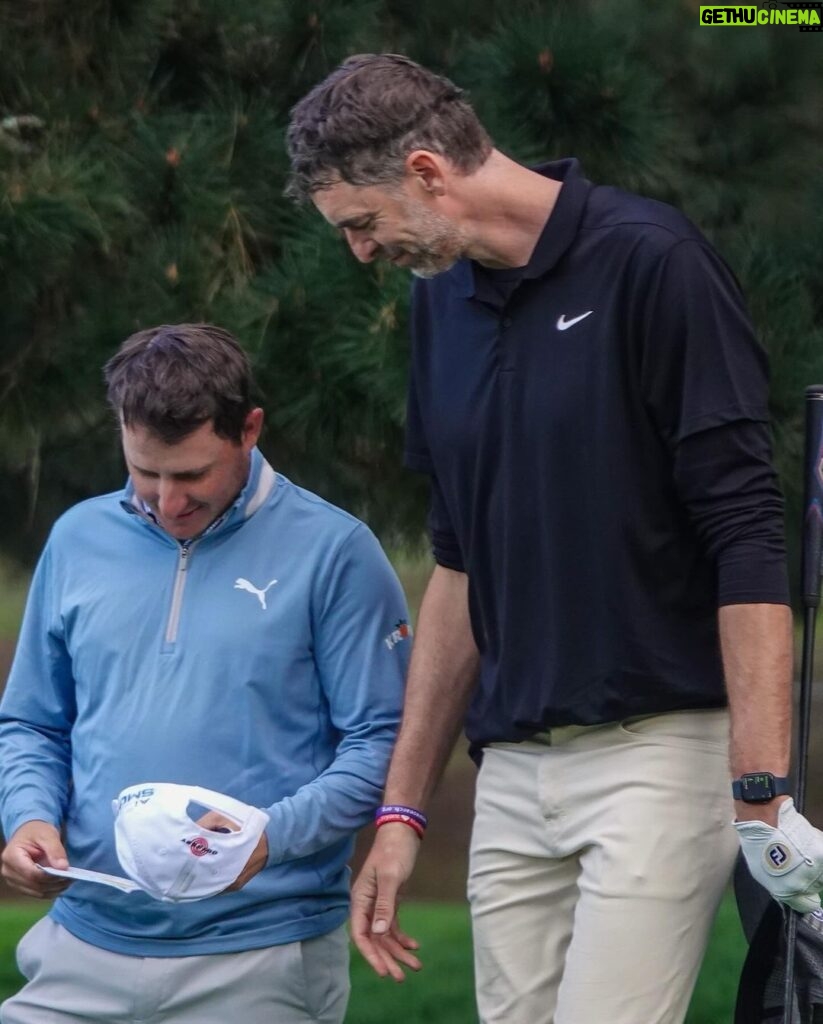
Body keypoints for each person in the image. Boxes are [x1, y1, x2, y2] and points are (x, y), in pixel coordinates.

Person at [285, 54, 823, 1024]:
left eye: (360, 225)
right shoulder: (436, 302)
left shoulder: (654, 263)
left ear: (424, 172)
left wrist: (761, 794)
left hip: (660, 752)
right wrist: (403, 811)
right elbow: (457, 560)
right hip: (512, 774)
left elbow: (748, 537)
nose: (359, 253)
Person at [0, 323, 412, 1024]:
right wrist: (28, 816)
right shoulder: (77, 537)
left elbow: (381, 740)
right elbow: (36, 720)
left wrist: (270, 835)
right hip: (80, 947)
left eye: (191, 475)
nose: (167, 500)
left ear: (248, 430)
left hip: (260, 960)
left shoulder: (336, 551)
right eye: (144, 471)